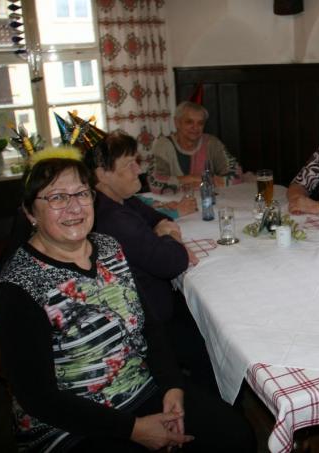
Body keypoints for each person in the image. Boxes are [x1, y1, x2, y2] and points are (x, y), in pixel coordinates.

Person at [0, 147, 254, 452]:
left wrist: (172, 385)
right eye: (56, 198)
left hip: (141, 389)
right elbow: (39, 398)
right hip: (72, 427)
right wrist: (133, 430)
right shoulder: (19, 285)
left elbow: (150, 327)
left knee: (235, 436)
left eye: (81, 193)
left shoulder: (108, 248)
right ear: (30, 213)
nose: (74, 207)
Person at [87, 131, 216, 392]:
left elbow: (157, 217)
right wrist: (171, 239)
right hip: (148, 323)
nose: (139, 170)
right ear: (102, 174)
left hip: (151, 305)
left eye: (137, 161)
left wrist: (163, 231)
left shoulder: (121, 201)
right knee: (214, 335)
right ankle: (209, 404)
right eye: (129, 165)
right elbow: (173, 262)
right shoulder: (114, 219)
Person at [149, 101, 242, 193]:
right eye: (189, 122)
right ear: (177, 123)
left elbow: (236, 175)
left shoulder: (211, 143)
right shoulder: (163, 145)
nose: (195, 127)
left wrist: (204, 182)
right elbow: (155, 183)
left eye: (200, 123)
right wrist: (193, 178)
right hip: (175, 205)